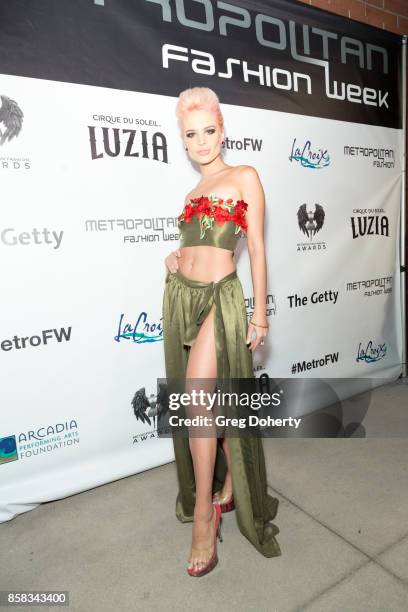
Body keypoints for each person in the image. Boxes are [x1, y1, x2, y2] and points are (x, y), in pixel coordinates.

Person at [162, 87, 281, 577]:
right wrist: (174, 258)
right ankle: (229, 480)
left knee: (196, 397)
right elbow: (193, 245)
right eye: (192, 134)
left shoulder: (244, 177)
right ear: (184, 142)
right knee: (211, 404)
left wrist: (260, 315)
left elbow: (254, 246)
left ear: (223, 129)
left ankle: (206, 520)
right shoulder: (190, 195)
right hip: (180, 295)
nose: (202, 141)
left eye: (209, 130)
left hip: (220, 299)